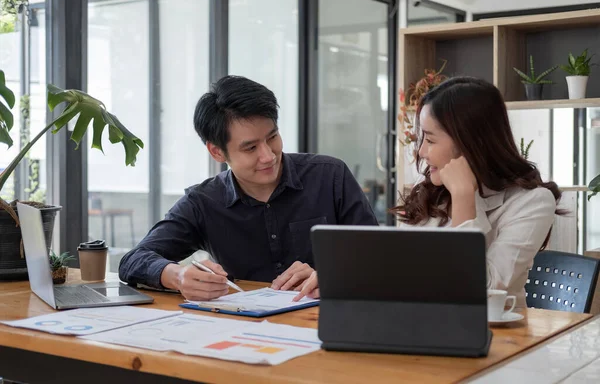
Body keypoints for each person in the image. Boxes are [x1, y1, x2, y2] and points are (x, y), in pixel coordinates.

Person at [294, 76, 562, 307]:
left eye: (430, 139)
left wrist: (464, 197)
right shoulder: (434, 193)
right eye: (422, 138)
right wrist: (342, 278)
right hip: (423, 326)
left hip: (499, 342)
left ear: (471, 144)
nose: (421, 151)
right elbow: (403, 274)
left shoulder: (533, 202)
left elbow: (476, 291)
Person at [119, 75, 378, 301]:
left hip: (328, 322)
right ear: (217, 151)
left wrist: (332, 275)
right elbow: (133, 260)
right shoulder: (204, 201)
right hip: (244, 331)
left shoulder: (330, 176)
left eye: (272, 137)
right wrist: (178, 275)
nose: (268, 156)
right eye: (251, 148)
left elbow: (378, 256)